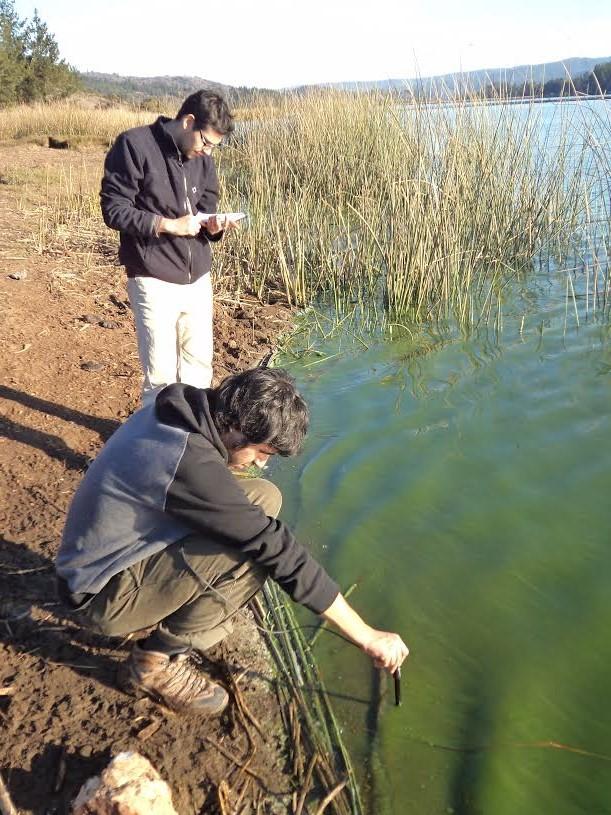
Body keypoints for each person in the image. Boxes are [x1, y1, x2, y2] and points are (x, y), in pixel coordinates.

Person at [55, 368, 409, 716]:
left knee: (263, 497)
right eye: (261, 452)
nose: (262, 463)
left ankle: (170, 612)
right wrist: (367, 635)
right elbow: (279, 552)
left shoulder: (184, 410)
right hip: (96, 595)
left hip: (99, 555)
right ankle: (154, 663)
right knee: (255, 556)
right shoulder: (187, 464)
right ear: (237, 428)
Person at [100, 89, 236, 407]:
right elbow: (114, 209)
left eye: (215, 146)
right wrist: (169, 225)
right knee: (160, 378)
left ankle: (190, 441)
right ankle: (156, 446)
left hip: (198, 278)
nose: (207, 151)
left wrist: (214, 227)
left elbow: (205, 210)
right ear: (188, 122)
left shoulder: (204, 161)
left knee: (199, 370)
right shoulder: (134, 145)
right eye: (205, 141)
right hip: (153, 277)